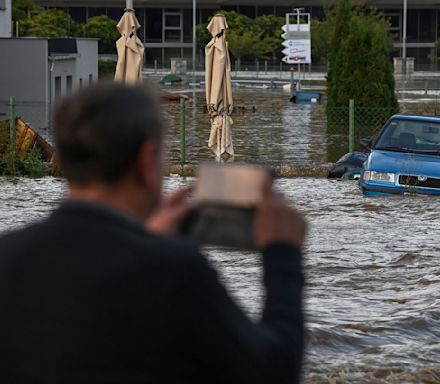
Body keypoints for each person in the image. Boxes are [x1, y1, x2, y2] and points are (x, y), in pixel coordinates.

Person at [0, 83, 307, 384]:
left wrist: (148, 236)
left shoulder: (8, 254)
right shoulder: (172, 270)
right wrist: (282, 252)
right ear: (147, 160)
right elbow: (272, 370)